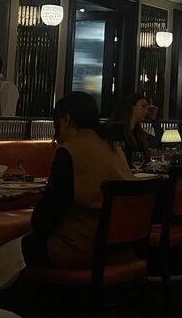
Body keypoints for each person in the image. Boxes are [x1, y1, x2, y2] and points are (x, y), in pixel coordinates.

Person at [21, 92, 133, 268]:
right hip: (123, 248)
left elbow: (47, 215)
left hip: (83, 250)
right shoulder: (115, 149)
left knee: (4, 255)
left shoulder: (70, 152)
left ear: (66, 119)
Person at [106, 93, 160, 166]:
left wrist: (154, 119)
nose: (146, 111)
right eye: (143, 106)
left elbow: (157, 143)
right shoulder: (115, 130)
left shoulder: (139, 132)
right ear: (131, 107)